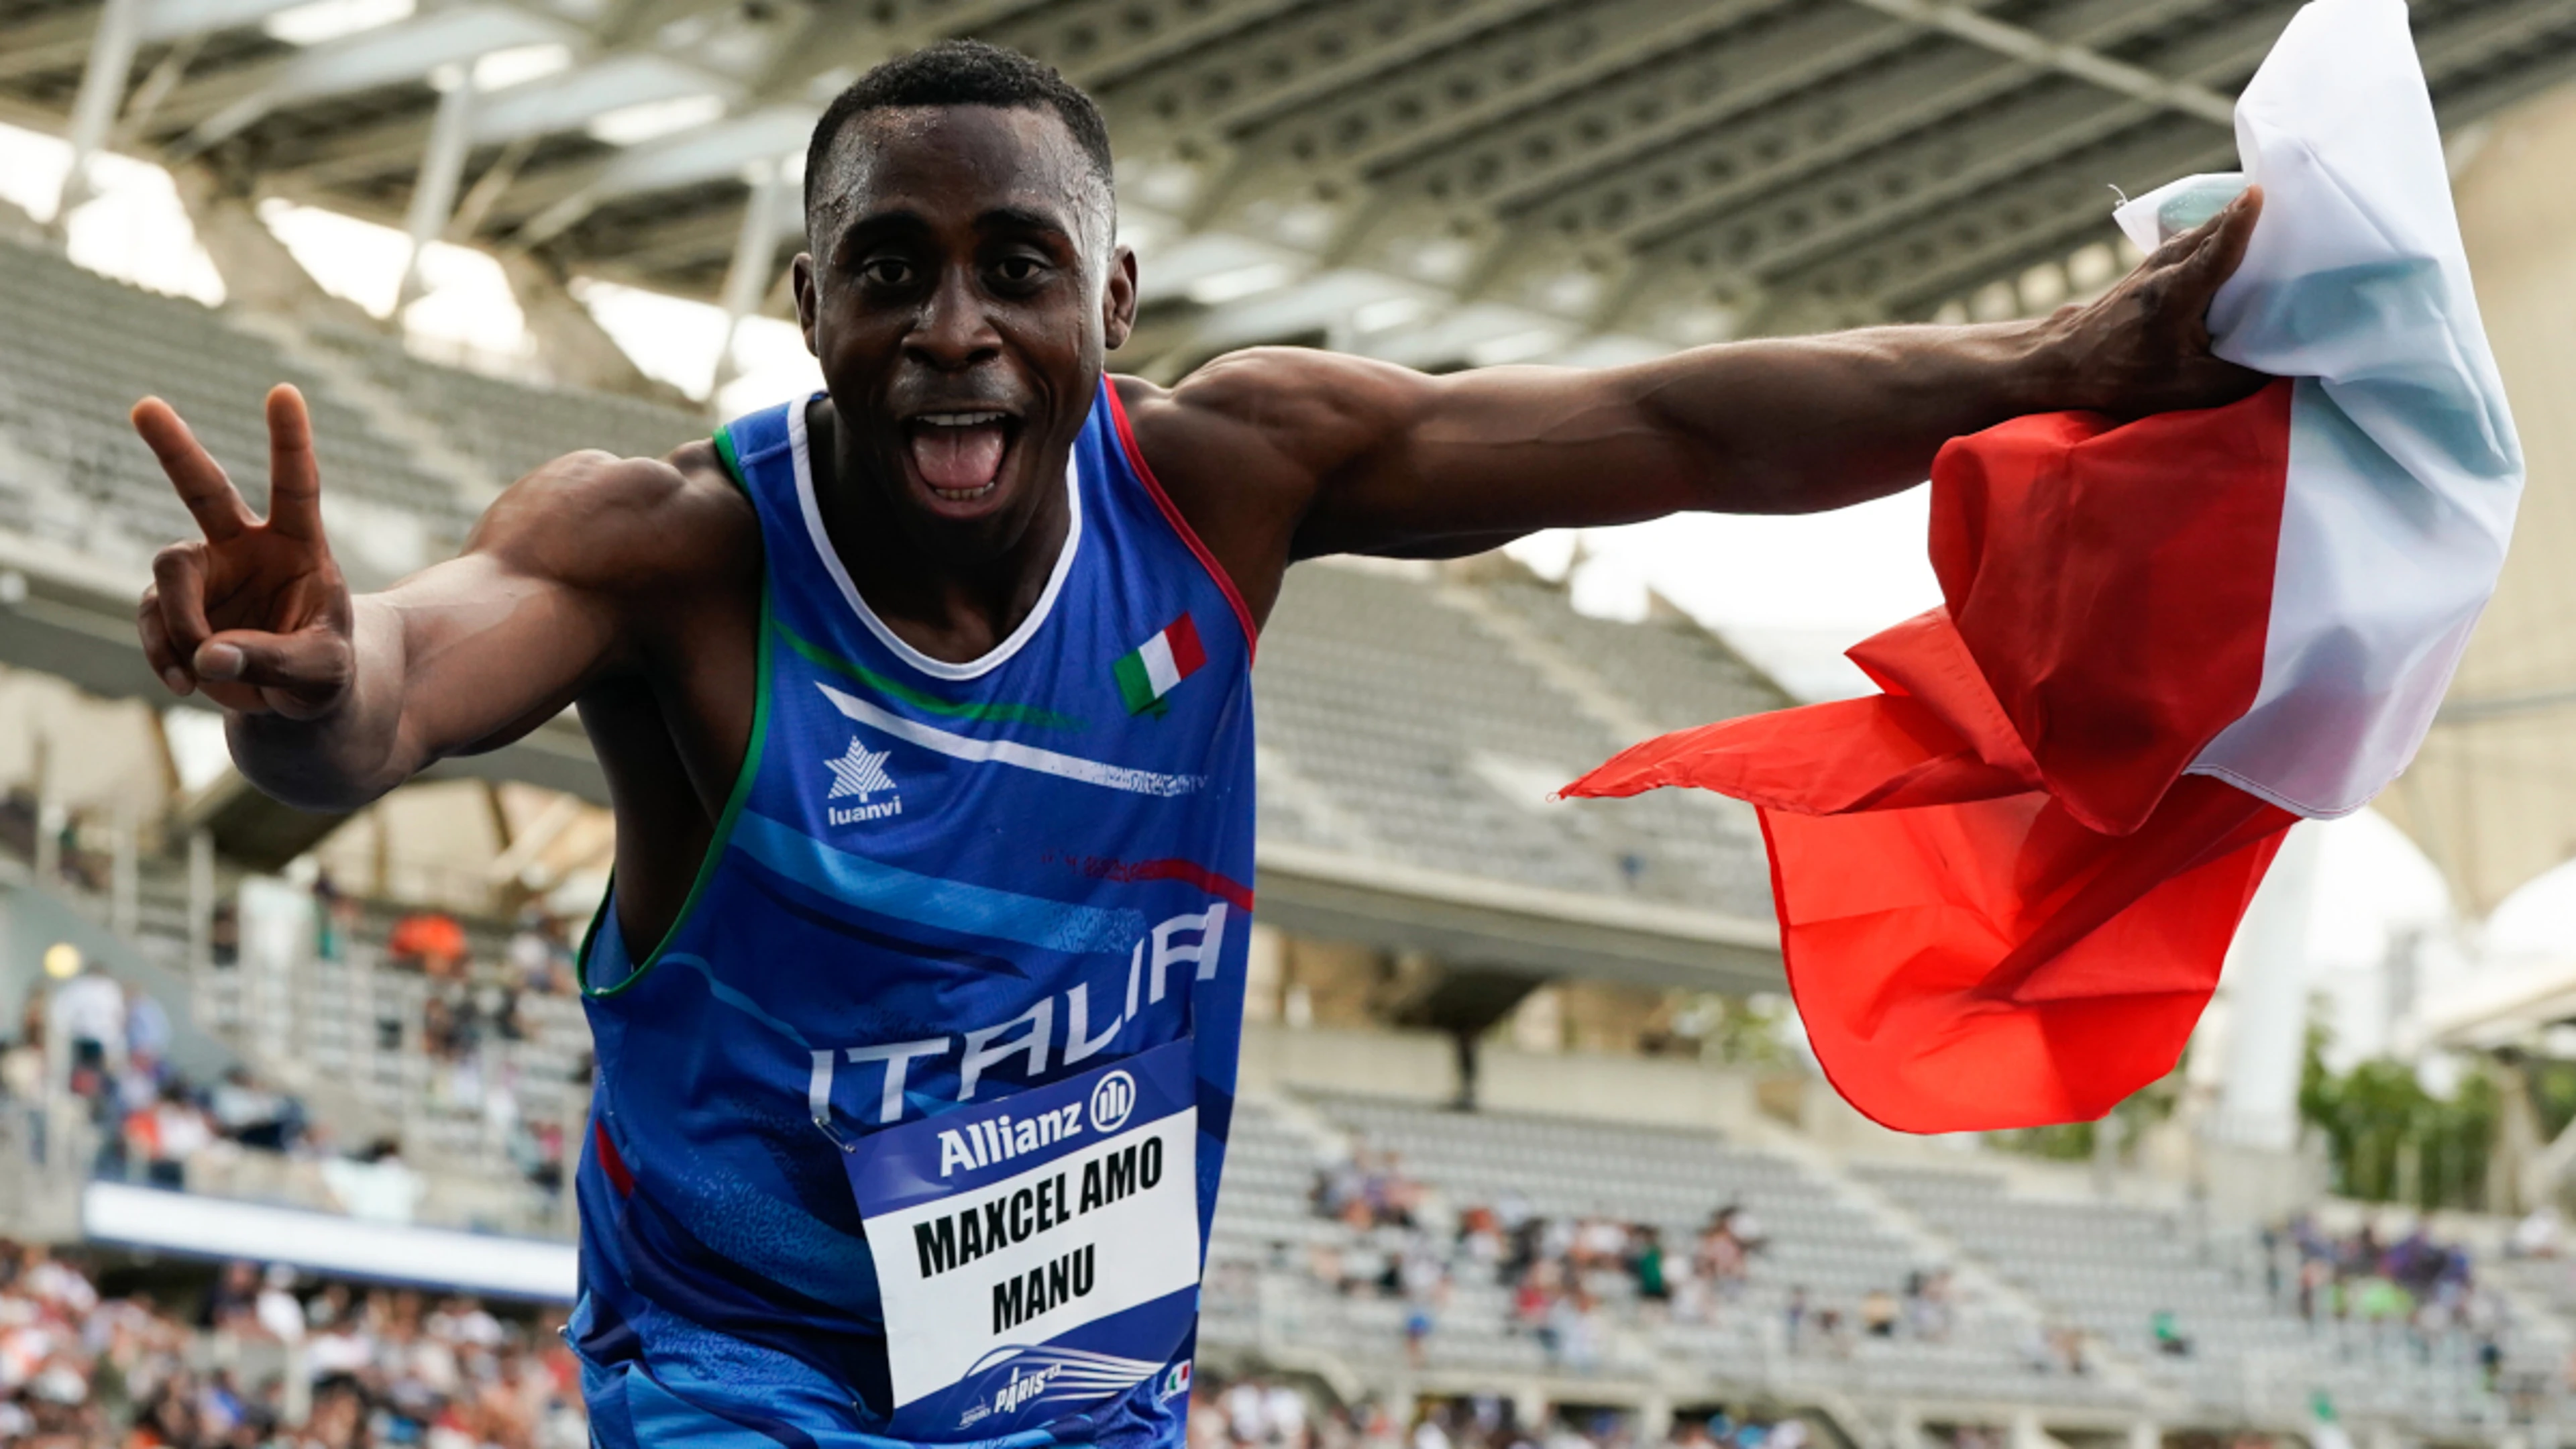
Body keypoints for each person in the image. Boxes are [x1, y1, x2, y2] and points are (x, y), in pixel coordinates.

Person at [125, 39, 2263, 1449]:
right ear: (807, 310)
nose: (953, 328)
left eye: (1013, 268)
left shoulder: (1233, 481)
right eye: (889, 269)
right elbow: (396, 690)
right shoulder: (672, 554)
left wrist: (2060, 360)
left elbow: (1680, 428)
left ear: (1113, 302)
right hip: (743, 1373)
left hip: (1075, 1380)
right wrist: (322, 688)